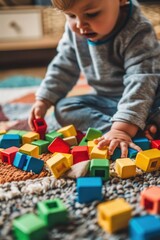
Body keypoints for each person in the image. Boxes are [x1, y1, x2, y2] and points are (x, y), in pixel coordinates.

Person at [28, 0, 160, 158]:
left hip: (151, 98)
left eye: (91, 14)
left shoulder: (138, 29)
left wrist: (122, 129)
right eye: (70, 15)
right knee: (64, 108)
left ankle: (130, 128)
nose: (80, 25)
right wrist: (44, 99)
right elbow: (64, 65)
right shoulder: (75, 32)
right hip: (109, 101)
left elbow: (141, 80)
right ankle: (135, 132)